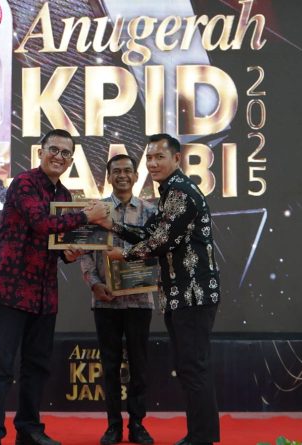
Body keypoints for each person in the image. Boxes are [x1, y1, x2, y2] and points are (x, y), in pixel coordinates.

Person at [0, 129, 111, 445]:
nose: (59, 157)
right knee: (1, 365)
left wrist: (69, 253)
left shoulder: (64, 195)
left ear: (71, 160)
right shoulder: (24, 183)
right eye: (54, 149)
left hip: (44, 294)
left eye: (66, 153)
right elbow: (41, 223)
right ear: (41, 152)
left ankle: (28, 429)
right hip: (12, 290)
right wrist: (86, 216)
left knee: (37, 366)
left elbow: (55, 242)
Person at [101, 134, 221, 445]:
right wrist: (113, 226)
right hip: (181, 295)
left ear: (177, 159)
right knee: (189, 367)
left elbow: (160, 241)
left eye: (159, 157)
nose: (153, 163)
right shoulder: (169, 192)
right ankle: (200, 435)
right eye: (150, 158)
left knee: (193, 367)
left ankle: (201, 438)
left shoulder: (179, 192)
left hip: (193, 294)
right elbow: (150, 231)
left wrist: (123, 254)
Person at [79, 154, 157, 445]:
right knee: (110, 367)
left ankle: (137, 425)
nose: (122, 175)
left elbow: (157, 251)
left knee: (139, 366)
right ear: (108, 177)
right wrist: (94, 284)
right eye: (116, 171)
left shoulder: (150, 212)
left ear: (136, 177)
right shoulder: (96, 212)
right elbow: (85, 253)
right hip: (105, 301)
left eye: (127, 171)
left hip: (140, 301)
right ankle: (113, 426)